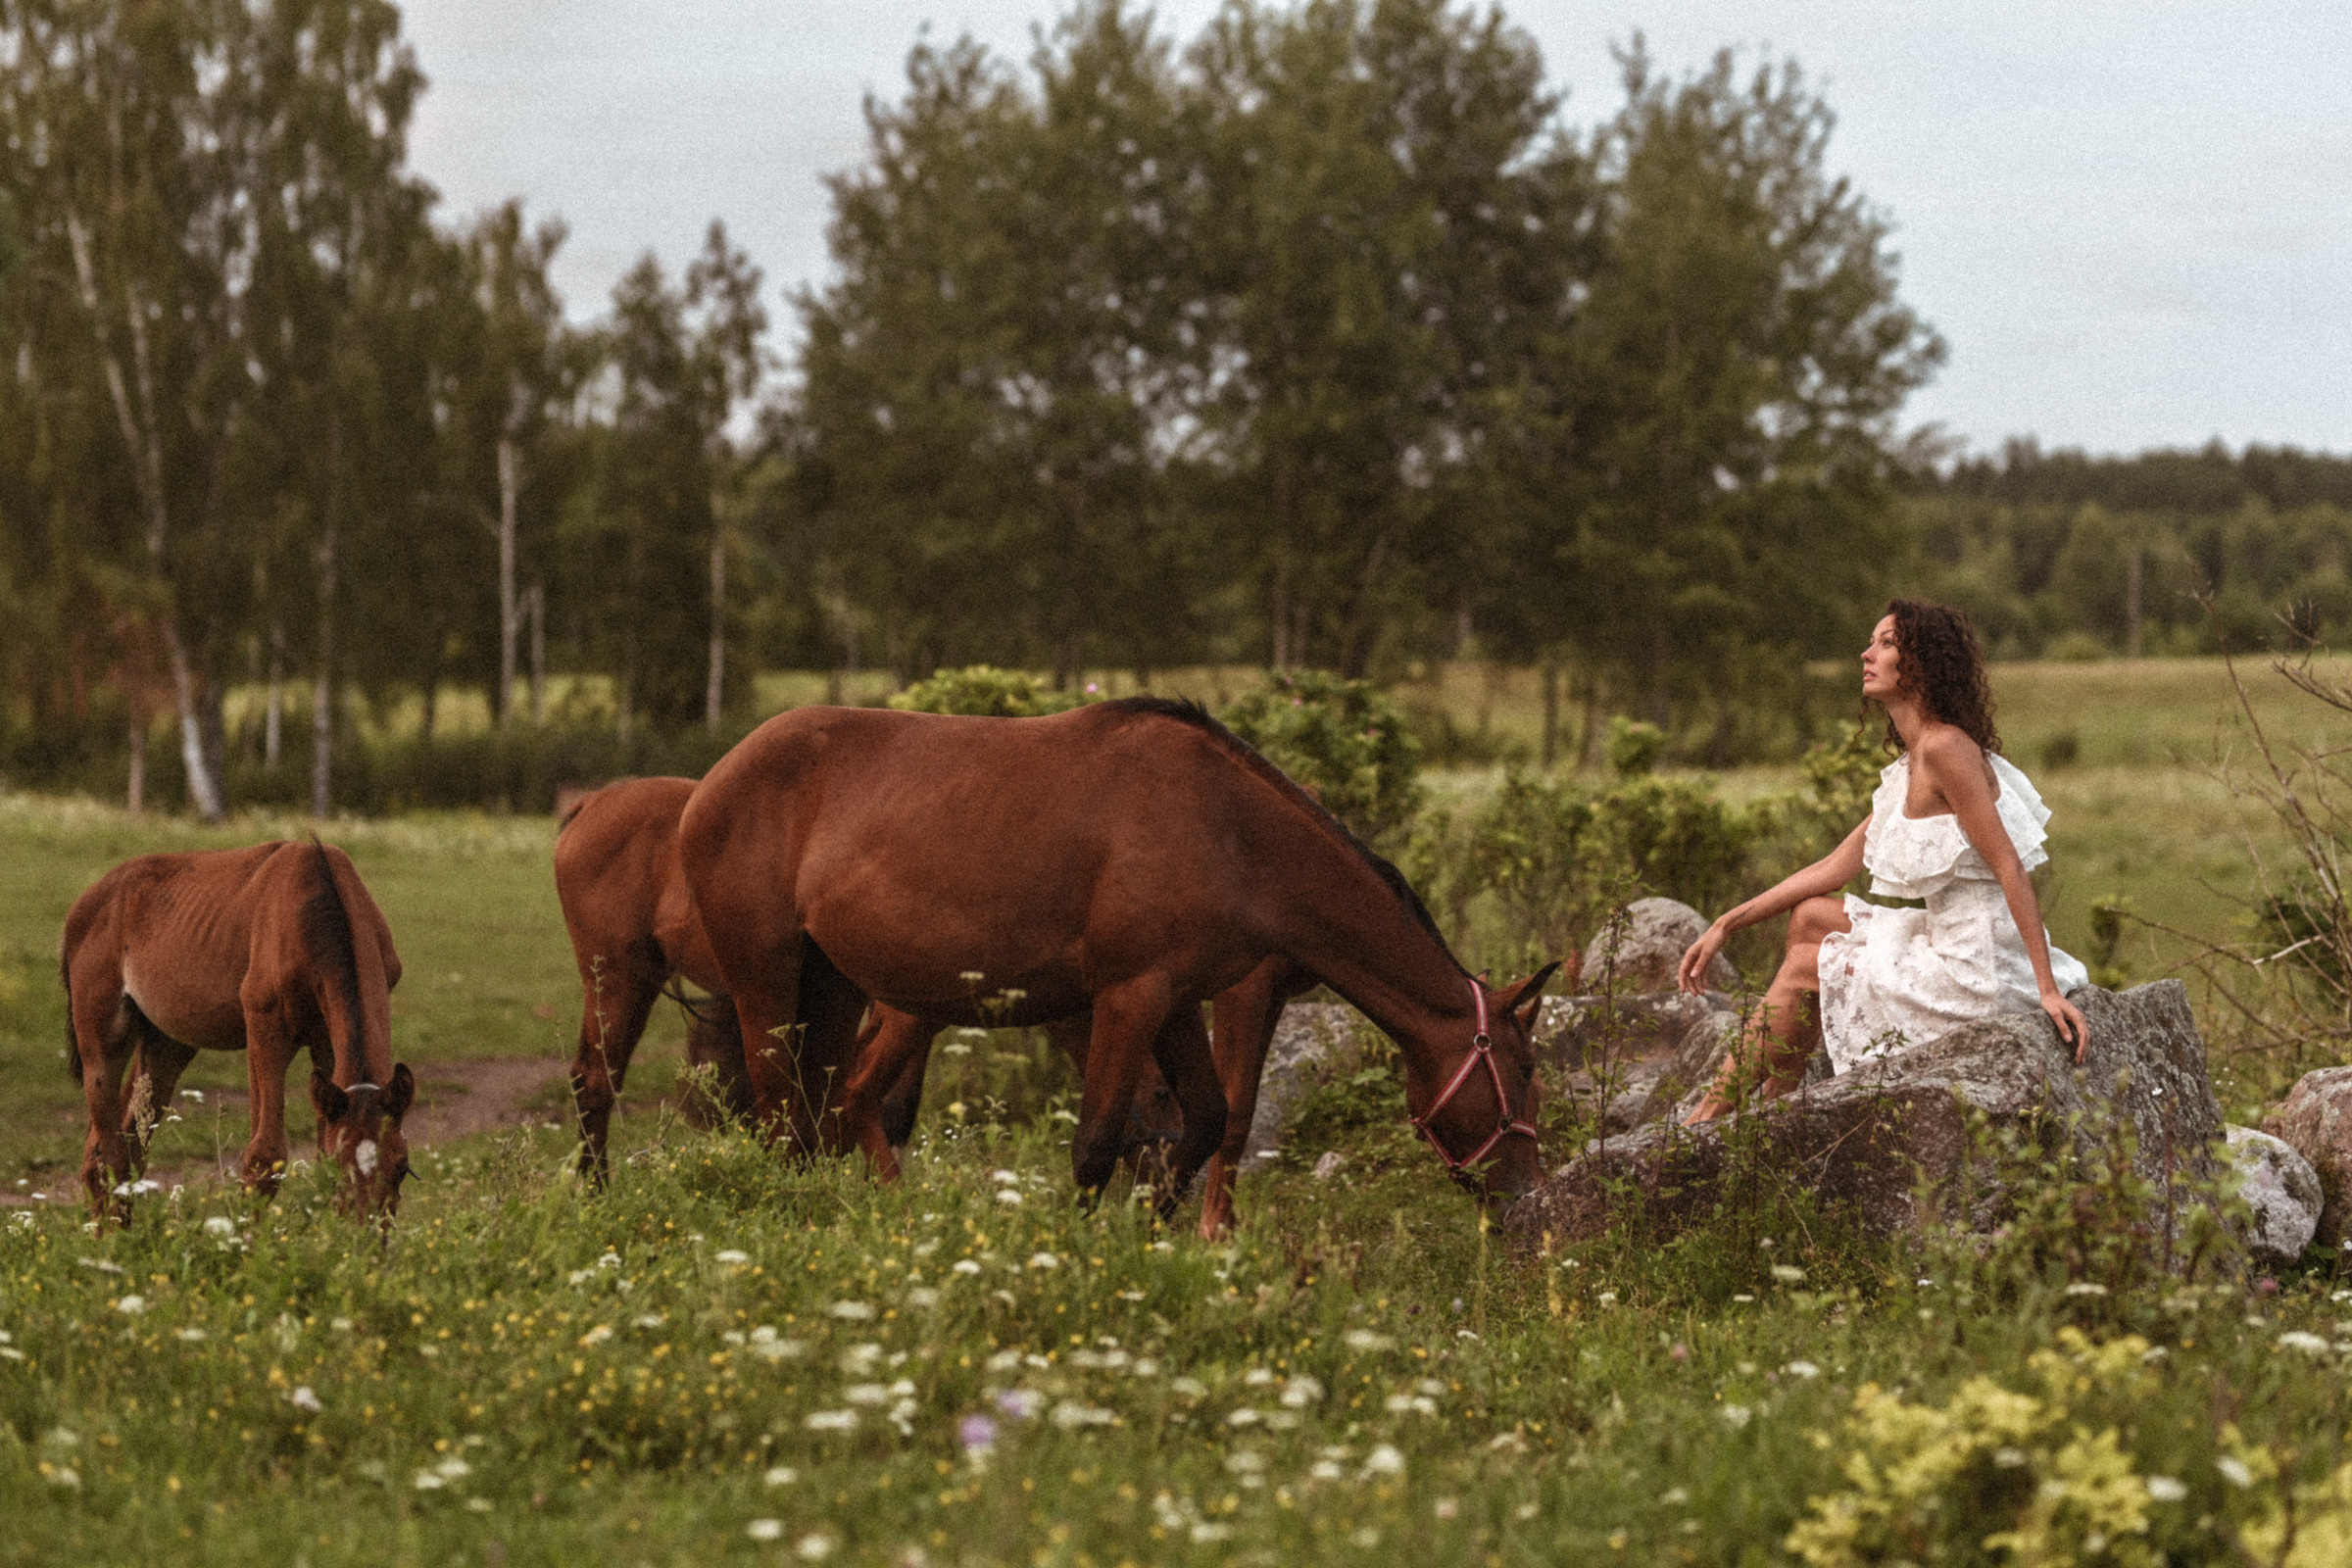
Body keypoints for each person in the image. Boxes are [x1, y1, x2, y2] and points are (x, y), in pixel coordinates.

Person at [1677, 600, 2090, 1124]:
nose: (1867, 653)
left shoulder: (1946, 748)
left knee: (1808, 964)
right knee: (1810, 916)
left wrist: (2046, 990)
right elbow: (1834, 866)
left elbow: (2008, 863)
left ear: (1919, 663)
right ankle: (1780, 1107)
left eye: (1887, 643)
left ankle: (1701, 1123)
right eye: (1873, 641)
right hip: (1944, 938)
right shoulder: (1912, 761)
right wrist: (1725, 924)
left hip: (1978, 968)